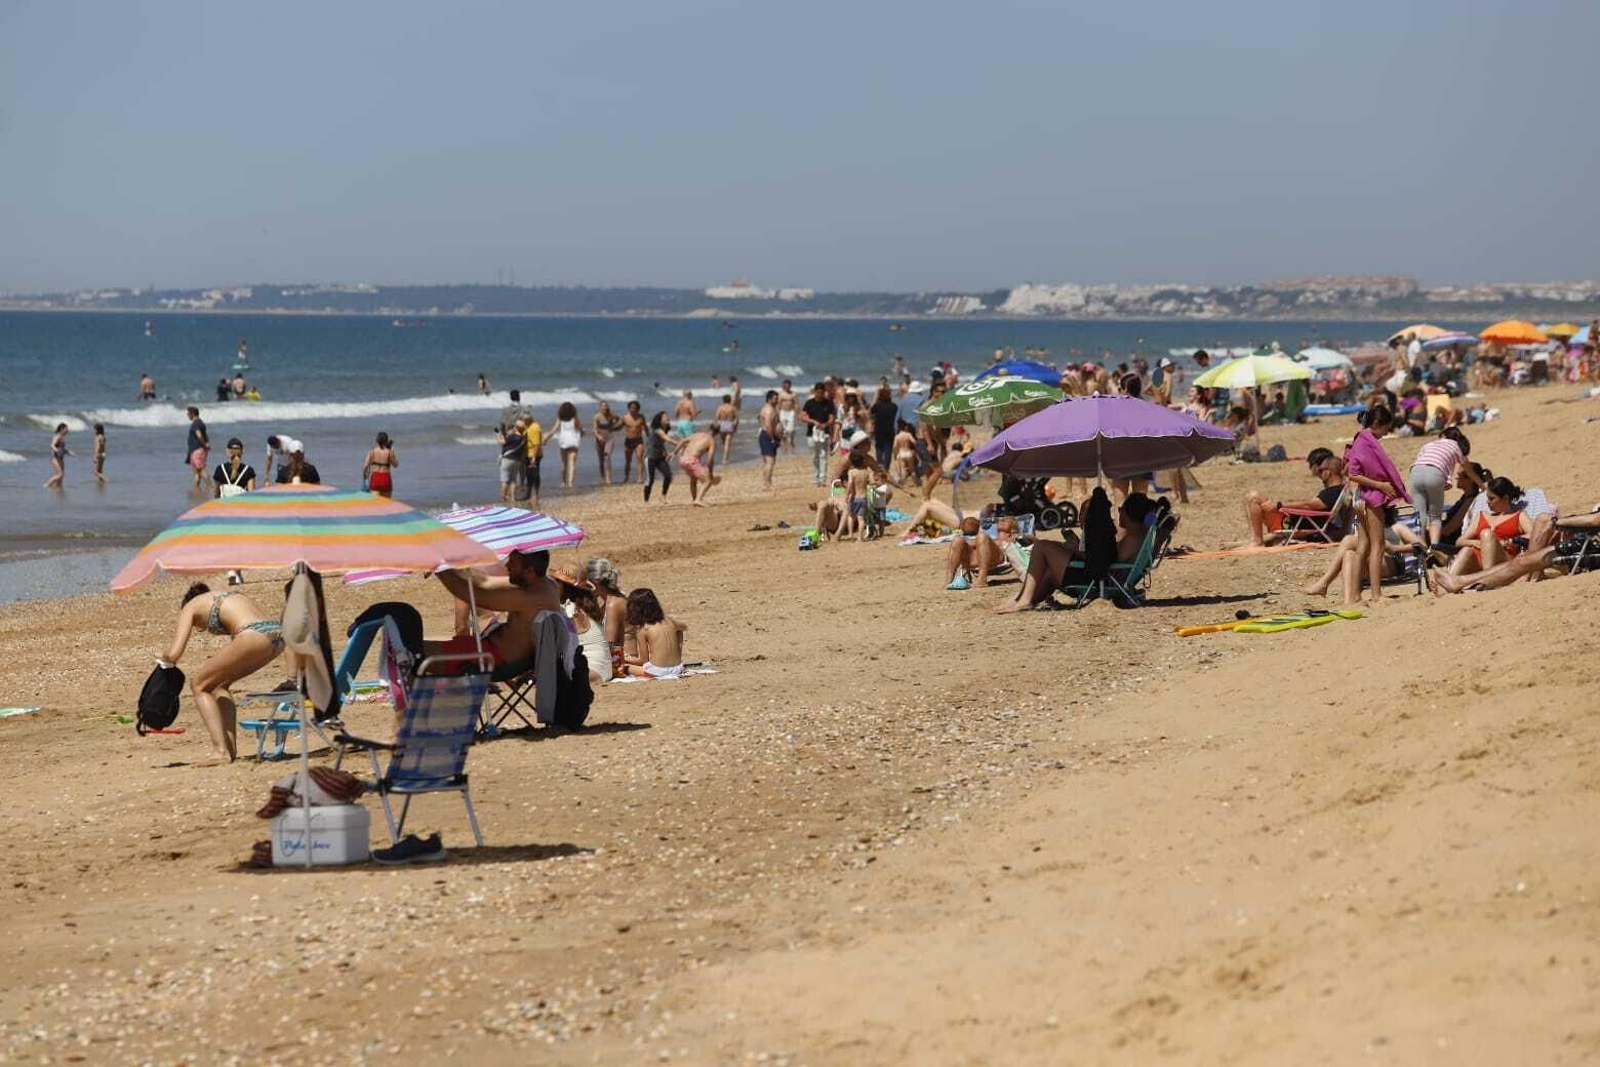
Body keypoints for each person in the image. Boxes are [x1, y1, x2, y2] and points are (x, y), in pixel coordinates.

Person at [162, 582, 286, 763]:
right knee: (219, 685)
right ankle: (229, 750)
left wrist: (161, 655)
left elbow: (174, 654)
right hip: (278, 638)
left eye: (201, 626)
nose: (203, 628)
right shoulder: (228, 595)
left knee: (198, 685)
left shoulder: (190, 607)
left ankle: (220, 752)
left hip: (252, 635)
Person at [998, 492, 1158, 613]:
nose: (1119, 512)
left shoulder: (1132, 539)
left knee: (1042, 546)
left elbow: (1108, 563)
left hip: (1095, 580)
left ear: (1129, 513)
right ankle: (1023, 599)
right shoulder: (1137, 536)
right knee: (1049, 571)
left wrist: (1079, 553)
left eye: (1121, 509)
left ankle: (1023, 599)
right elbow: (1110, 560)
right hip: (1100, 578)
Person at [1429, 509, 1600, 594]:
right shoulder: (1483, 514)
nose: (1489, 503)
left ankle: (1462, 583)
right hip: (1585, 542)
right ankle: (1531, 572)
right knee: (1542, 519)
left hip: (1589, 548)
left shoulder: (1519, 515)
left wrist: (1558, 522)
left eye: (1492, 498)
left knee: (1520, 561)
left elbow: (1596, 519)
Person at [1341, 405, 1411, 606]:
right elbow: (1353, 473)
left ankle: (1355, 596)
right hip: (1370, 497)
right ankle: (1376, 594)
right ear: (1377, 424)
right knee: (1377, 546)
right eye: (1386, 429)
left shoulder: (1362, 440)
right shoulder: (1365, 442)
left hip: (1361, 497)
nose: (1387, 433)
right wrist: (1380, 484)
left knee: (1363, 546)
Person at [1235, 448, 1348, 548]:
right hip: (1296, 520)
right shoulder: (1336, 490)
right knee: (1248, 497)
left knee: (1254, 497)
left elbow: (1309, 505)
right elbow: (1311, 505)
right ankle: (1255, 538)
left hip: (1291, 523)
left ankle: (1258, 542)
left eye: (1320, 470)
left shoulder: (1333, 492)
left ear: (1328, 472)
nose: (1318, 472)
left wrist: (1280, 506)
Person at [1446, 476, 1534, 580]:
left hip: (1504, 561)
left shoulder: (1519, 516)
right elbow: (1460, 541)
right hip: (1479, 559)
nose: (1487, 502)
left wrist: (1509, 541)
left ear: (1505, 498)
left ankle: (1487, 581)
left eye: (1492, 499)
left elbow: (1534, 535)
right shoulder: (1482, 516)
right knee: (1466, 550)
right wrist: (1476, 543)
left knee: (1486, 534)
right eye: (1487, 498)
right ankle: (1447, 582)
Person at [1408, 426, 1469, 547]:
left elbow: (1420, 461)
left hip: (1415, 472)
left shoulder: (1429, 444)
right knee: (1435, 517)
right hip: (1436, 474)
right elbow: (1465, 465)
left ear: (1443, 435)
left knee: (1419, 515)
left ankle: (1420, 549)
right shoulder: (1456, 446)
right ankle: (1435, 548)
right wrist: (1481, 484)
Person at [552, 568, 613, 684]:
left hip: (592, 669)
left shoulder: (571, 611)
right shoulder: (586, 608)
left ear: (565, 587)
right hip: (603, 667)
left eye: (556, 582)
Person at [944, 514, 1028, 590]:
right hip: (976, 559)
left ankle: (982, 579)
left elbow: (1032, 543)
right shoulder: (990, 539)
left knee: (982, 536)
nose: (1002, 520)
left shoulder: (1015, 538)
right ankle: (949, 580)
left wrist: (1021, 536)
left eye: (1006, 520)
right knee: (957, 540)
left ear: (1013, 528)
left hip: (996, 559)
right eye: (1001, 519)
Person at [622, 588, 687, 680]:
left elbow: (643, 661)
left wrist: (624, 658)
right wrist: (679, 646)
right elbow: (683, 628)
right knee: (678, 631)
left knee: (622, 667)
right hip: (678, 668)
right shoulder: (669, 620)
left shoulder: (643, 629)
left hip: (657, 671)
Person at [584, 557, 633, 663]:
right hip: (624, 656)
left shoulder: (612, 605)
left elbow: (610, 644)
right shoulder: (615, 597)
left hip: (625, 659)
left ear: (594, 582)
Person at [799, 382, 837, 486]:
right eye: (817, 392)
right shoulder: (809, 403)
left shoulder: (829, 403)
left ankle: (822, 478)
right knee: (814, 456)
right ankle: (816, 477)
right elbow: (801, 417)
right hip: (811, 433)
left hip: (824, 433)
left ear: (824, 392)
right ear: (815, 392)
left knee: (823, 455)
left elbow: (832, 418)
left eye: (821, 392)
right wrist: (813, 422)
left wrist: (825, 424)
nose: (819, 394)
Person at [645, 412, 683, 501]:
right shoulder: (657, 430)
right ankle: (646, 500)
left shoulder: (665, 429)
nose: (668, 418)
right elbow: (667, 439)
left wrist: (665, 452)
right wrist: (680, 443)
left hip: (660, 458)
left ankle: (663, 496)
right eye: (665, 417)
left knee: (668, 476)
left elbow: (661, 443)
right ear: (660, 420)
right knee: (650, 480)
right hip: (650, 457)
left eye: (667, 416)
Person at [678, 428, 719, 506]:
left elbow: (682, 441)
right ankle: (698, 499)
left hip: (682, 459)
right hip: (691, 460)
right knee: (707, 481)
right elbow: (709, 460)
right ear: (717, 434)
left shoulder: (697, 434)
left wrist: (674, 453)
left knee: (693, 479)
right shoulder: (711, 440)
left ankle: (694, 500)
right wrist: (711, 474)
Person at [868, 385, 899, 470]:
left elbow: (870, 412)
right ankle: (886, 467)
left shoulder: (877, 406)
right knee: (888, 449)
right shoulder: (894, 406)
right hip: (890, 429)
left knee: (879, 448)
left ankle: (879, 464)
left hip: (878, 430)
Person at [553, 401, 583, 488]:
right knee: (572, 463)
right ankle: (570, 483)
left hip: (563, 442)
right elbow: (579, 428)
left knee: (563, 463)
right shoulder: (575, 419)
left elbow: (554, 429)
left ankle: (563, 482)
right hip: (573, 441)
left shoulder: (560, 419)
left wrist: (546, 438)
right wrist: (582, 432)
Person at [497, 420, 527, 505]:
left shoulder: (512, 436)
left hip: (507, 460)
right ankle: (513, 498)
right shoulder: (523, 439)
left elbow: (502, 442)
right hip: (517, 460)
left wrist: (497, 435)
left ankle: (503, 497)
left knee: (505, 480)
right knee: (513, 480)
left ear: (516, 428)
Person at [592, 401, 622, 485]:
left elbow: (619, 418)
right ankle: (603, 478)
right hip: (599, 439)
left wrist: (614, 425)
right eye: (603, 406)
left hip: (609, 438)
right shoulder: (596, 417)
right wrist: (598, 436)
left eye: (606, 406)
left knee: (607, 456)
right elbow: (594, 429)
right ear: (600, 407)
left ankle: (608, 478)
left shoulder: (611, 415)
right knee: (601, 460)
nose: (605, 408)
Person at [757, 389, 782, 490]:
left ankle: (767, 483)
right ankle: (767, 484)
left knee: (768, 462)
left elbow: (760, 418)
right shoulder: (768, 410)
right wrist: (772, 438)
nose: (777, 401)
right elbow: (767, 425)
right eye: (775, 399)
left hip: (768, 435)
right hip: (768, 436)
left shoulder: (770, 408)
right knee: (769, 462)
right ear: (769, 399)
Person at [363, 432, 398, 497]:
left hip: (375, 478)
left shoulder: (372, 451)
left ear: (377, 441)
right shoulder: (389, 452)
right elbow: (396, 465)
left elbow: (365, 466)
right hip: (386, 478)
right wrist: (392, 452)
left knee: (375, 503)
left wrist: (365, 477)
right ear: (386, 441)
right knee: (386, 504)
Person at [621, 400, 647, 484]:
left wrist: (650, 437)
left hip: (638, 440)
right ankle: (626, 476)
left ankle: (640, 477)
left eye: (635, 408)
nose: (633, 409)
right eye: (631, 408)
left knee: (640, 458)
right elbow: (619, 427)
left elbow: (645, 428)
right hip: (628, 440)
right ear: (628, 408)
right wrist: (611, 427)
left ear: (638, 409)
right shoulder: (625, 417)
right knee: (628, 460)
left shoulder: (641, 417)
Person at [185, 407, 210, 491]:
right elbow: (205, 435)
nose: (187, 415)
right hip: (196, 450)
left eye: (188, 413)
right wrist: (206, 444)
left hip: (197, 450)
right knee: (196, 471)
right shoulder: (200, 422)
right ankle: (197, 488)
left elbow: (199, 435)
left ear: (192, 413)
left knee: (200, 470)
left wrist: (205, 445)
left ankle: (210, 486)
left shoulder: (196, 423)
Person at [711, 394, 738, 466]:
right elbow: (736, 419)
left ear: (723, 400)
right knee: (727, 443)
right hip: (729, 425)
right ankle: (724, 460)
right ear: (730, 400)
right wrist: (735, 427)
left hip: (722, 425)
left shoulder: (720, 408)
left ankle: (723, 458)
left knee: (723, 442)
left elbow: (716, 418)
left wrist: (714, 426)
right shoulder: (733, 408)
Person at [524, 415, 544, 508]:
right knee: (529, 475)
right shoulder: (528, 426)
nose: (523, 422)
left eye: (524, 420)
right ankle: (529, 495)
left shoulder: (535, 428)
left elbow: (537, 444)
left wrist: (533, 458)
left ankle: (535, 495)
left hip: (533, 455)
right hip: (528, 454)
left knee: (534, 475)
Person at [42, 423, 70, 489]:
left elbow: (62, 449)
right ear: (61, 429)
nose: (67, 431)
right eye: (66, 429)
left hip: (61, 459)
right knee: (59, 475)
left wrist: (68, 452)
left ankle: (58, 489)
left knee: (61, 477)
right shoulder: (57, 436)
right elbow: (52, 445)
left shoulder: (62, 437)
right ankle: (46, 485)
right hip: (55, 458)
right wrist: (56, 450)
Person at [777, 380, 798, 450]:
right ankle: (784, 441)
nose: (787, 387)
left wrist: (798, 413)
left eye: (788, 386)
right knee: (783, 428)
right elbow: (778, 404)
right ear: (783, 386)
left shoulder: (793, 394)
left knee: (791, 429)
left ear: (790, 386)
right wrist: (777, 413)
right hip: (783, 412)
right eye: (785, 386)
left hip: (791, 412)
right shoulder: (781, 394)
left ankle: (791, 440)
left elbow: (796, 404)